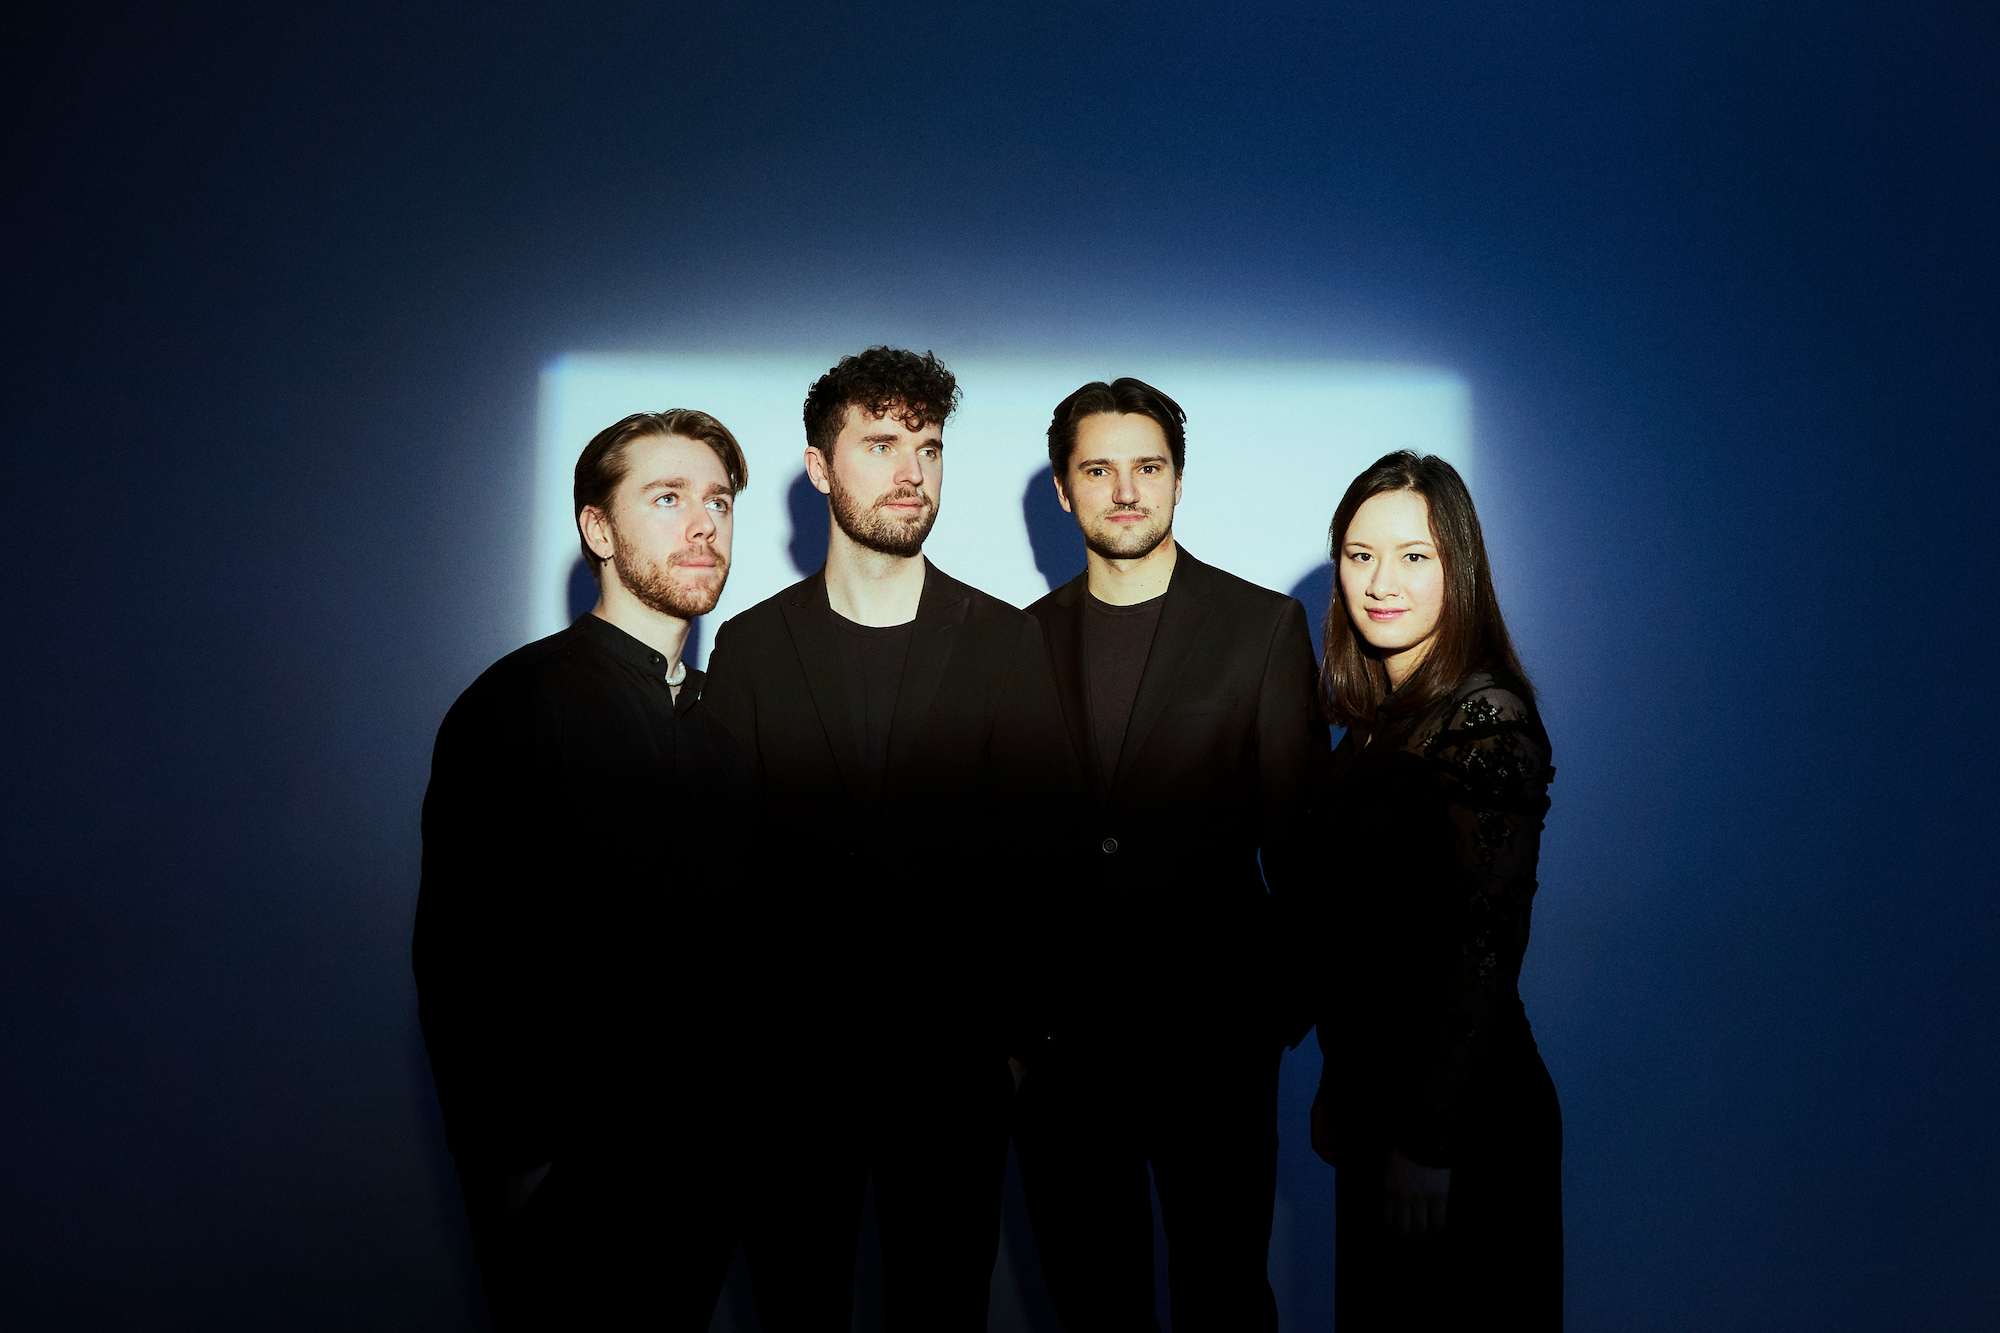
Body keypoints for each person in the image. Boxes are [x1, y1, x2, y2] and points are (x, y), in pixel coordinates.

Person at [699, 346, 1075, 1331]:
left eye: (929, 447)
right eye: (879, 444)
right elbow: (719, 874)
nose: (912, 471)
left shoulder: (1005, 640)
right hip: (788, 1082)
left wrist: (1016, 1049)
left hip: (953, 1077)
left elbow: (1042, 857)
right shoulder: (750, 647)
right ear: (819, 468)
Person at [412, 409, 753, 1330]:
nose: (704, 524)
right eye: (667, 498)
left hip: (704, 1182)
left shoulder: (724, 731)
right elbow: (459, 962)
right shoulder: (513, 706)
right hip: (568, 1191)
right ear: (598, 529)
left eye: (719, 501)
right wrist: (519, 1174)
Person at [1013, 377, 1327, 1332]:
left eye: (1148, 468)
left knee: (1224, 1300)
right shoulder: (1016, 640)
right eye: (1098, 470)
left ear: (1179, 481)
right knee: (1092, 1307)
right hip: (1066, 1056)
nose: (1125, 491)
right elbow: (1001, 848)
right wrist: (1019, 1033)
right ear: (1063, 489)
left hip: (1215, 1048)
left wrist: (1271, 1018)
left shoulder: (1261, 627)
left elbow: (1304, 845)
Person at [1298, 450, 1561, 1330]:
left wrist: (1428, 1139)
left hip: (1460, 1123)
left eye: (1415, 556)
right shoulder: (1382, 722)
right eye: (1360, 554)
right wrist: (1341, 1081)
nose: (1382, 582)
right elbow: (1362, 933)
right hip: (1380, 1107)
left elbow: (1488, 945)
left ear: (1461, 567)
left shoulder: (1485, 715)